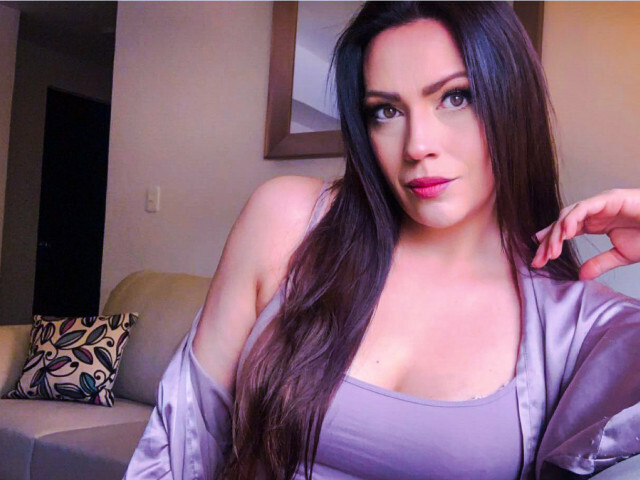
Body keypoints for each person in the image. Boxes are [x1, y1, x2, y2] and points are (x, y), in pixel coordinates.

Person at [124, 2, 640, 479]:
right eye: (386, 111)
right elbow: (183, 442)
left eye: (455, 97)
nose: (418, 145)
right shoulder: (289, 220)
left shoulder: (579, 324)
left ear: (512, 103)